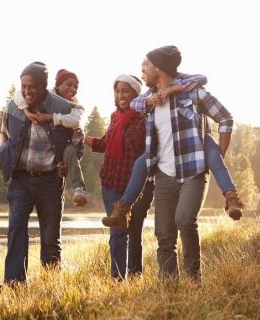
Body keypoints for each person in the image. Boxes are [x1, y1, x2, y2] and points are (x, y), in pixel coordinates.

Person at [140, 45, 236, 282]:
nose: (142, 69)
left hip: (193, 171)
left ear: (159, 67)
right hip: (163, 173)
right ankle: (168, 287)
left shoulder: (194, 94)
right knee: (163, 233)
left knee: (184, 219)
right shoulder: (149, 100)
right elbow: (134, 105)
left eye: (146, 64)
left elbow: (225, 117)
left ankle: (194, 281)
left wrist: (218, 155)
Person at [101, 72, 245, 229]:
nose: (144, 73)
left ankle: (231, 198)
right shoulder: (152, 91)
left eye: (146, 67)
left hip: (200, 134)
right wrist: (150, 100)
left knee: (215, 158)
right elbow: (136, 103)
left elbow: (201, 79)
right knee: (140, 164)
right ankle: (123, 209)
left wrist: (173, 89)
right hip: (169, 143)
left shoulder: (185, 83)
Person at [0, 69, 88, 207]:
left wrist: (51, 117)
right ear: (58, 85)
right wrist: (26, 111)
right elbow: (19, 95)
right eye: (69, 84)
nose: (73, 89)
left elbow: (76, 124)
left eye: (76, 87)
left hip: (59, 157)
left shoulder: (74, 106)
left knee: (70, 152)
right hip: (29, 156)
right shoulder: (46, 96)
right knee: (1, 153)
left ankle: (79, 189)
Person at [0, 61, 76, 284]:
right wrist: (6, 165)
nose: (27, 91)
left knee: (50, 235)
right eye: (23, 86)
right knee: (16, 231)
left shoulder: (62, 107)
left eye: (32, 86)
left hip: (50, 180)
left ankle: (50, 283)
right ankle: (14, 282)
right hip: (20, 179)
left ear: (44, 87)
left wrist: (67, 163)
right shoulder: (13, 107)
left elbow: (76, 141)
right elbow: (4, 136)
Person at [84, 74, 152, 280]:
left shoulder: (146, 119)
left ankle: (134, 276)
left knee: (134, 232)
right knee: (117, 232)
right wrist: (83, 138)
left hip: (137, 186)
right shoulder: (114, 117)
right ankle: (117, 279)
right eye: (118, 91)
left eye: (126, 91)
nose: (121, 95)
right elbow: (105, 144)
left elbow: (150, 153)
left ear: (136, 93)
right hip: (111, 182)